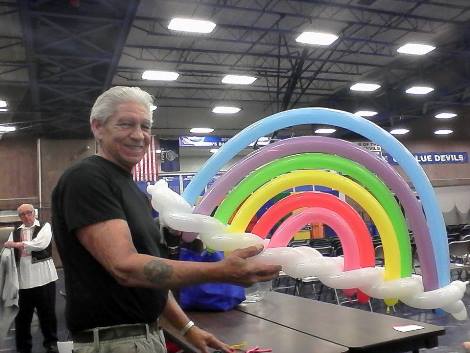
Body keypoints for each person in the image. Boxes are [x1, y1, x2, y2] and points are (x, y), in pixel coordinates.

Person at [51, 86, 281, 353]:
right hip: (116, 342)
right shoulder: (88, 178)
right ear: (98, 127)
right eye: (126, 124)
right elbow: (125, 267)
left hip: (144, 336)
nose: (138, 135)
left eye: (145, 126)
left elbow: (152, 281)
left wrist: (188, 329)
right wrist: (220, 272)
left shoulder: (130, 188)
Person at [4, 204, 58, 353]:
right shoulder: (16, 232)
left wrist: (16, 245)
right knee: (22, 318)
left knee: (47, 315)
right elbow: (7, 251)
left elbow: (40, 244)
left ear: (34, 213)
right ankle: (23, 348)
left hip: (44, 279)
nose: (26, 216)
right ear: (19, 217)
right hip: (22, 282)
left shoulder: (45, 227)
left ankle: (51, 344)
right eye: (22, 214)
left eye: (29, 213)